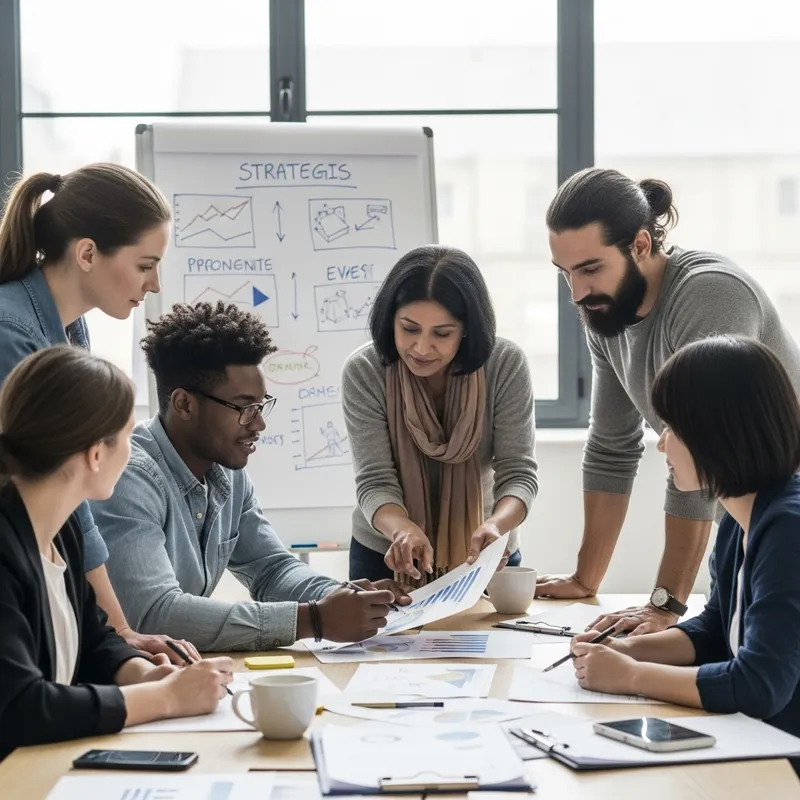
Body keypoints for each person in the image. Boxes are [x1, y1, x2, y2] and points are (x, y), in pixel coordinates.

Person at [537, 168, 800, 634]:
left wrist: (664, 605)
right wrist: (585, 578)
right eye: (566, 274)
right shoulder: (605, 310)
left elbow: (703, 446)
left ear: (640, 245)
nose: (577, 293)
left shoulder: (709, 294)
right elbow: (611, 446)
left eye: (591, 268)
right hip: (742, 522)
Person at [92, 301, 411, 652]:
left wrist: (341, 596)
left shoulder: (227, 473)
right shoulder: (129, 478)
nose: (258, 424)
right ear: (184, 404)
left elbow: (271, 569)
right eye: (244, 408)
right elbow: (152, 614)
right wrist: (312, 620)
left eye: (260, 406)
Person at [570, 335, 800, 764]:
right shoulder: (740, 516)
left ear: (715, 434)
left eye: (672, 428)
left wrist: (632, 676)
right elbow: (716, 631)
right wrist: (624, 650)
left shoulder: (789, 528)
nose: (662, 443)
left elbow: (760, 686)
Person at [0, 346, 233, 760]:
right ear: (94, 453)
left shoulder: (63, 526)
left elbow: (93, 639)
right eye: (127, 437)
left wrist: (145, 674)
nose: (132, 451)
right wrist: (165, 699)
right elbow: (19, 706)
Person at [0, 164, 193, 662]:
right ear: (87, 253)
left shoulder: (69, 328)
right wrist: (118, 632)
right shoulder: (12, 334)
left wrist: (116, 637)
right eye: (145, 264)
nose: (154, 284)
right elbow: (62, 492)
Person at [342, 245, 538, 585]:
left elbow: (519, 472)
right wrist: (402, 530)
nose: (421, 348)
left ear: (467, 328)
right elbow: (375, 480)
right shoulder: (365, 371)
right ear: (390, 319)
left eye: (442, 334)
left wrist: (496, 524)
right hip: (385, 552)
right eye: (409, 328)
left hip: (485, 547)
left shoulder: (505, 365)